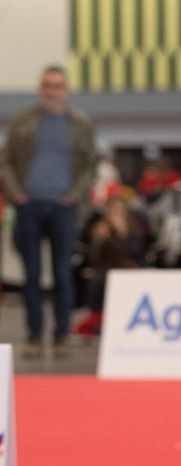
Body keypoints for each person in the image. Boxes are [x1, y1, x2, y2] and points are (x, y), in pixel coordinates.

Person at [0, 65, 96, 358]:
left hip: (63, 207)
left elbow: (89, 166)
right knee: (31, 275)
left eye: (57, 85)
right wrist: (16, 193)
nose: (51, 91)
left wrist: (75, 196)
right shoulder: (24, 122)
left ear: (66, 90)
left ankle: (62, 335)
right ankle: (33, 335)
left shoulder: (80, 124)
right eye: (46, 85)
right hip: (29, 205)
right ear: (40, 88)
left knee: (62, 274)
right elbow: (6, 162)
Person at [75, 195, 146, 336]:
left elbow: (137, 253)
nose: (116, 214)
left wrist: (122, 234)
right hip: (104, 268)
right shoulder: (99, 227)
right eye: (113, 210)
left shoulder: (133, 229)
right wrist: (98, 239)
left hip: (127, 267)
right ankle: (98, 316)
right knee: (99, 279)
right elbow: (93, 257)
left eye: (120, 210)